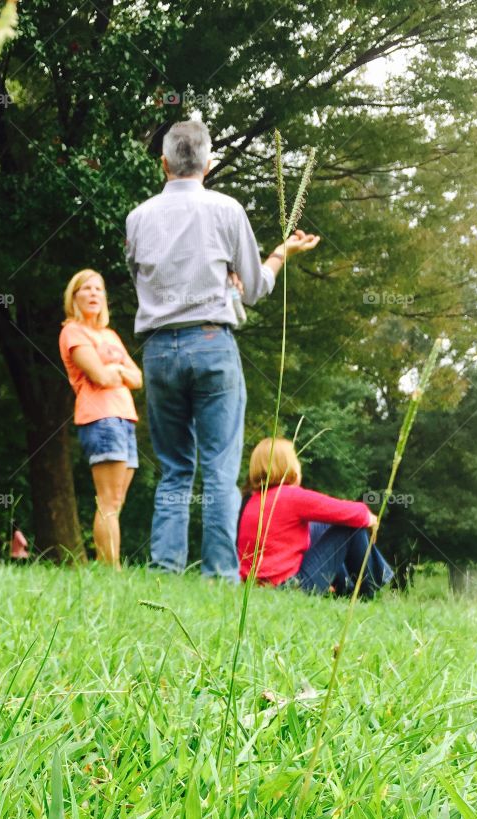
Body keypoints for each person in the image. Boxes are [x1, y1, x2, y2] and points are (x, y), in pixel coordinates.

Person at [125, 119, 320, 580]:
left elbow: (145, 282)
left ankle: (165, 570)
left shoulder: (137, 217)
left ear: (163, 163)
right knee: (219, 469)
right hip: (212, 342)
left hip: (157, 349)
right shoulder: (227, 209)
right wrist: (280, 256)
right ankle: (218, 575)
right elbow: (252, 290)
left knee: (174, 468)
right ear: (208, 164)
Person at [59, 269, 143, 566]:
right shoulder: (72, 332)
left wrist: (117, 371)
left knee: (116, 501)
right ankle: (112, 569)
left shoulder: (109, 335)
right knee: (107, 500)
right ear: (74, 297)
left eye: (98, 289)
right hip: (101, 418)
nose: (93, 293)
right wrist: (117, 370)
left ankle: (109, 565)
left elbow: (137, 377)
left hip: (125, 418)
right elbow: (99, 376)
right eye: (86, 289)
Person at [237, 438, 394, 597]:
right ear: (288, 466)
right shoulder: (291, 496)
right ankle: (368, 591)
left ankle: (345, 588)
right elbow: (352, 512)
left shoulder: (253, 500)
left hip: (260, 585)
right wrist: (370, 518)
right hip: (292, 587)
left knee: (322, 526)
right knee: (351, 528)